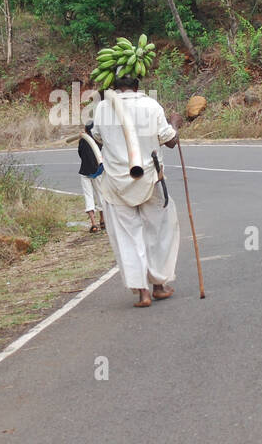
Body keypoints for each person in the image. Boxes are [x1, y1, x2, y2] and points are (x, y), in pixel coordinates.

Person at [90, 75, 183, 307]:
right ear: (137, 85)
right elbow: (170, 140)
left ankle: (142, 292)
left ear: (114, 86)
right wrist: (175, 122)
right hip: (150, 180)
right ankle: (159, 285)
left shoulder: (102, 108)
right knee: (158, 231)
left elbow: (98, 138)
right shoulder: (150, 105)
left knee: (128, 236)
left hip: (116, 184)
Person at [78, 120, 106, 233]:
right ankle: (103, 221)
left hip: (85, 172)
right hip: (97, 171)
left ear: (85, 130)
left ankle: (93, 224)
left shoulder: (82, 141)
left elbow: (80, 154)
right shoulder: (98, 141)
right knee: (101, 195)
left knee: (88, 196)